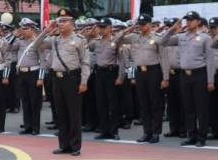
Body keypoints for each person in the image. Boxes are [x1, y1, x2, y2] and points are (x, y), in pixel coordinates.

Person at [34, 9, 91, 156]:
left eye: (64, 21)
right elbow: (36, 45)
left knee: (74, 114)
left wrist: (84, 81)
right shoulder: (54, 39)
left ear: (72, 23)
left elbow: (85, 63)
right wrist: (46, 31)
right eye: (59, 21)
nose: (60, 24)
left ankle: (75, 146)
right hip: (56, 79)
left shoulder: (79, 40)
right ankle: (64, 145)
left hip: (72, 78)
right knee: (61, 113)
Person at [160, 11, 216, 147]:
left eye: (191, 20)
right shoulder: (180, 37)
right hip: (184, 75)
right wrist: (173, 28)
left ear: (198, 22)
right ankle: (191, 135)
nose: (188, 22)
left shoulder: (205, 38)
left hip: (199, 74)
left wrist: (210, 80)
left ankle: (201, 137)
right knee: (188, 107)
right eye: (187, 20)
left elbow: (210, 60)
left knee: (201, 107)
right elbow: (163, 42)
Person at [115, 13, 169, 143]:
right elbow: (116, 39)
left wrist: (165, 78)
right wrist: (130, 28)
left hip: (154, 72)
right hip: (140, 72)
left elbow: (164, 58)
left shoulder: (157, 37)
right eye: (139, 24)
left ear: (150, 25)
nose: (141, 26)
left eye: (143, 24)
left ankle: (156, 133)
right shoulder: (133, 37)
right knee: (143, 104)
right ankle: (147, 132)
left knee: (155, 103)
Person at [89, 18, 123, 140]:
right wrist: (92, 31)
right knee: (101, 103)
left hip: (111, 73)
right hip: (99, 73)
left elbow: (122, 60)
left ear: (110, 28)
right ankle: (104, 130)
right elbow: (85, 44)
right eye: (100, 27)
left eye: (104, 27)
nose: (102, 30)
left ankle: (114, 131)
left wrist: (120, 76)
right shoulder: (96, 42)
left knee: (113, 104)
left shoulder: (116, 41)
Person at [13, 18, 43, 135]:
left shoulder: (37, 42)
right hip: (22, 74)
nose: (23, 31)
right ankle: (27, 126)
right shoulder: (19, 41)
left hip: (34, 74)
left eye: (26, 29)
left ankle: (35, 127)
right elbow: (7, 47)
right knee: (25, 101)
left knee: (34, 101)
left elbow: (42, 61)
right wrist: (15, 35)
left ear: (32, 29)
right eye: (22, 29)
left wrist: (40, 78)